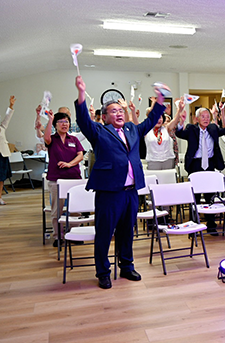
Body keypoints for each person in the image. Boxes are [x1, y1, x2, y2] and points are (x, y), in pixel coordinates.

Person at [75, 75, 166, 289]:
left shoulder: (132, 129)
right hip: (109, 191)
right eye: (113, 111)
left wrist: (160, 101)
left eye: (121, 111)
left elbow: (151, 120)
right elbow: (82, 120)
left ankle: (126, 266)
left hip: (130, 192)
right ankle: (103, 272)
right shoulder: (98, 131)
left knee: (127, 231)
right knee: (105, 233)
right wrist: (80, 93)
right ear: (104, 116)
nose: (118, 114)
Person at [175, 101, 225, 235]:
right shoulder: (191, 129)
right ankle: (194, 226)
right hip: (195, 165)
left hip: (210, 165)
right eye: (203, 116)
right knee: (194, 197)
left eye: (208, 116)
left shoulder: (213, 128)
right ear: (197, 118)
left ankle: (211, 225)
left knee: (210, 196)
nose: (206, 119)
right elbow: (179, 134)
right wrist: (181, 122)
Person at [43, 111, 85, 247]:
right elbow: (46, 137)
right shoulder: (52, 139)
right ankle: (58, 236)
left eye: (66, 121)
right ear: (55, 124)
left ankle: (75, 234)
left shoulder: (74, 139)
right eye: (61, 121)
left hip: (74, 178)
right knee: (57, 209)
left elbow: (80, 155)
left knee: (75, 208)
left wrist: (69, 164)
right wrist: (50, 119)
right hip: (56, 179)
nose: (64, 124)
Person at [0, 96, 16, 205]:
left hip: (2, 155)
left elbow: (8, 117)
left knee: (1, 178)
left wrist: (11, 105)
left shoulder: (2, 128)